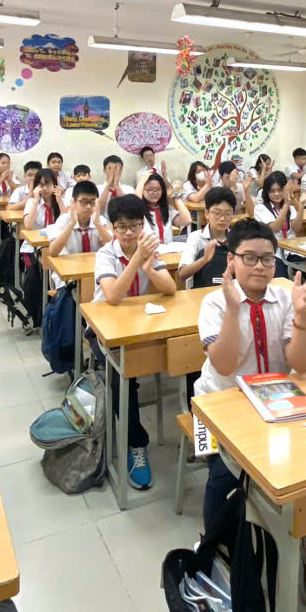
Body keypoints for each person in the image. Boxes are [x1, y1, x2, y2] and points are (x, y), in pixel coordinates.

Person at [195, 220, 306, 610]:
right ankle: (217, 547)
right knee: (222, 476)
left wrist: (301, 317)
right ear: (231, 261)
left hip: (278, 401)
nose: (260, 267)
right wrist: (233, 309)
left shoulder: (285, 298)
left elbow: (302, 364)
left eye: (268, 259)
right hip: (218, 407)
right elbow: (223, 365)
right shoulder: (214, 302)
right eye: (249, 258)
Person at [94, 194, 177, 491]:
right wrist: (136, 260)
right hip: (105, 331)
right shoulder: (105, 254)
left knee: (188, 353)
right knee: (122, 379)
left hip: (140, 326)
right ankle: (136, 444)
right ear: (113, 228)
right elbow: (113, 297)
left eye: (134, 225)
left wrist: (149, 267)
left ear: (143, 225)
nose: (129, 233)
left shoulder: (150, 248)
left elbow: (171, 288)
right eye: (122, 227)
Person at [44, 180, 111, 288]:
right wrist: (71, 224)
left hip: (95, 276)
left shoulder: (99, 220)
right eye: (84, 202)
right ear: (73, 202)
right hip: (69, 278)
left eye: (92, 202)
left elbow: (113, 247)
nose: (88, 207)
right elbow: (53, 252)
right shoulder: (64, 220)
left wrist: (98, 224)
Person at [179, 187, 236, 289]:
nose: (222, 218)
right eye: (217, 213)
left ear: (233, 215)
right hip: (200, 292)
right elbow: (182, 274)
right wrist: (204, 259)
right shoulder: (195, 238)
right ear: (207, 214)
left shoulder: (237, 238)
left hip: (230, 291)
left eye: (228, 214)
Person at [254, 172, 305, 260]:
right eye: (272, 191)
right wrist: (286, 204)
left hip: (291, 251)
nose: (276, 194)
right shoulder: (260, 208)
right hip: (273, 253)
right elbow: (275, 228)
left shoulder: (290, 207)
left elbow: (296, 228)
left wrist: (301, 207)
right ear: (267, 192)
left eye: (280, 190)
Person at [141, 172, 192, 243]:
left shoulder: (166, 208)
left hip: (167, 249)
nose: (155, 193)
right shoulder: (140, 209)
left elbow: (187, 220)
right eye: (150, 189)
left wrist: (176, 196)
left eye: (158, 189)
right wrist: (142, 181)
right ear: (142, 190)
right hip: (149, 249)